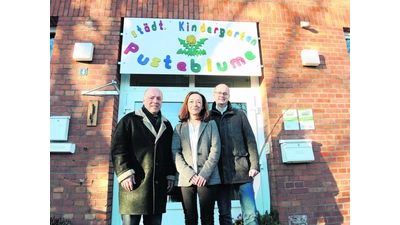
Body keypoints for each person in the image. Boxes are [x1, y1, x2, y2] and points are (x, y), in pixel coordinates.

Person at [110, 87, 175, 225]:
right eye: (151, 98)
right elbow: (118, 149)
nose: (155, 101)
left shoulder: (167, 125)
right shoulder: (129, 120)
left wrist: (170, 175)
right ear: (143, 100)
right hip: (134, 185)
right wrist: (124, 173)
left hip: (157, 188)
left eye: (159, 98)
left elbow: (169, 153)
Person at [210, 83, 260, 225]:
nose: (222, 95)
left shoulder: (239, 114)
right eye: (219, 93)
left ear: (229, 96)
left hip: (242, 170)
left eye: (225, 93)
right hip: (220, 173)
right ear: (214, 95)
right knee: (225, 214)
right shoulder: (208, 116)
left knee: (250, 214)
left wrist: (254, 164)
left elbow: (250, 140)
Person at [171, 91, 221, 225]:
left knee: (208, 218)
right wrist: (190, 174)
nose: (195, 104)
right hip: (186, 179)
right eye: (192, 101)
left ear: (203, 106)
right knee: (190, 217)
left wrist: (204, 174)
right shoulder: (179, 128)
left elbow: (215, 149)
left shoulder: (211, 125)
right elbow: (175, 152)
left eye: (199, 102)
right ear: (186, 105)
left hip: (208, 178)